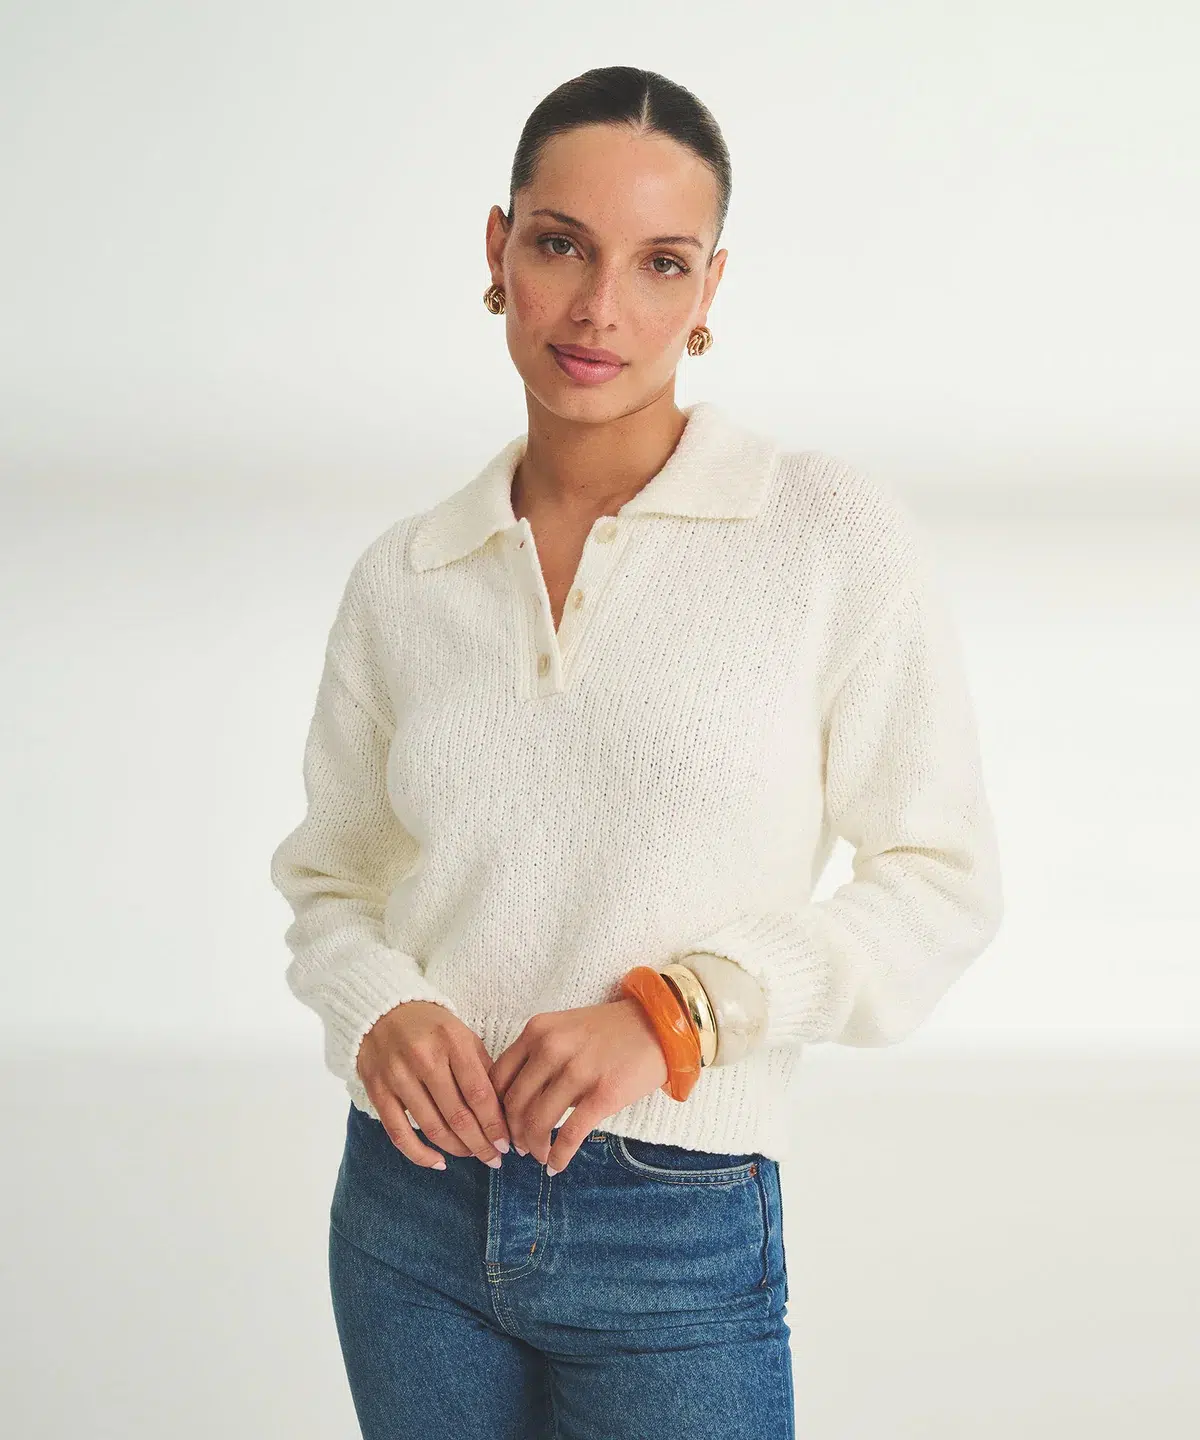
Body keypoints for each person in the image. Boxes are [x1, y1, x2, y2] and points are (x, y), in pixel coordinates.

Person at [269, 64, 1004, 1440]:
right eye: (561, 246)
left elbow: (940, 877)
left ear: (711, 290)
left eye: (660, 264)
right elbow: (331, 881)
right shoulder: (408, 576)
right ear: (499, 253)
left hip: (675, 1226)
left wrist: (684, 1013)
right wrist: (378, 1002)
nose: (602, 309)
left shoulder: (825, 537)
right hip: (408, 1218)